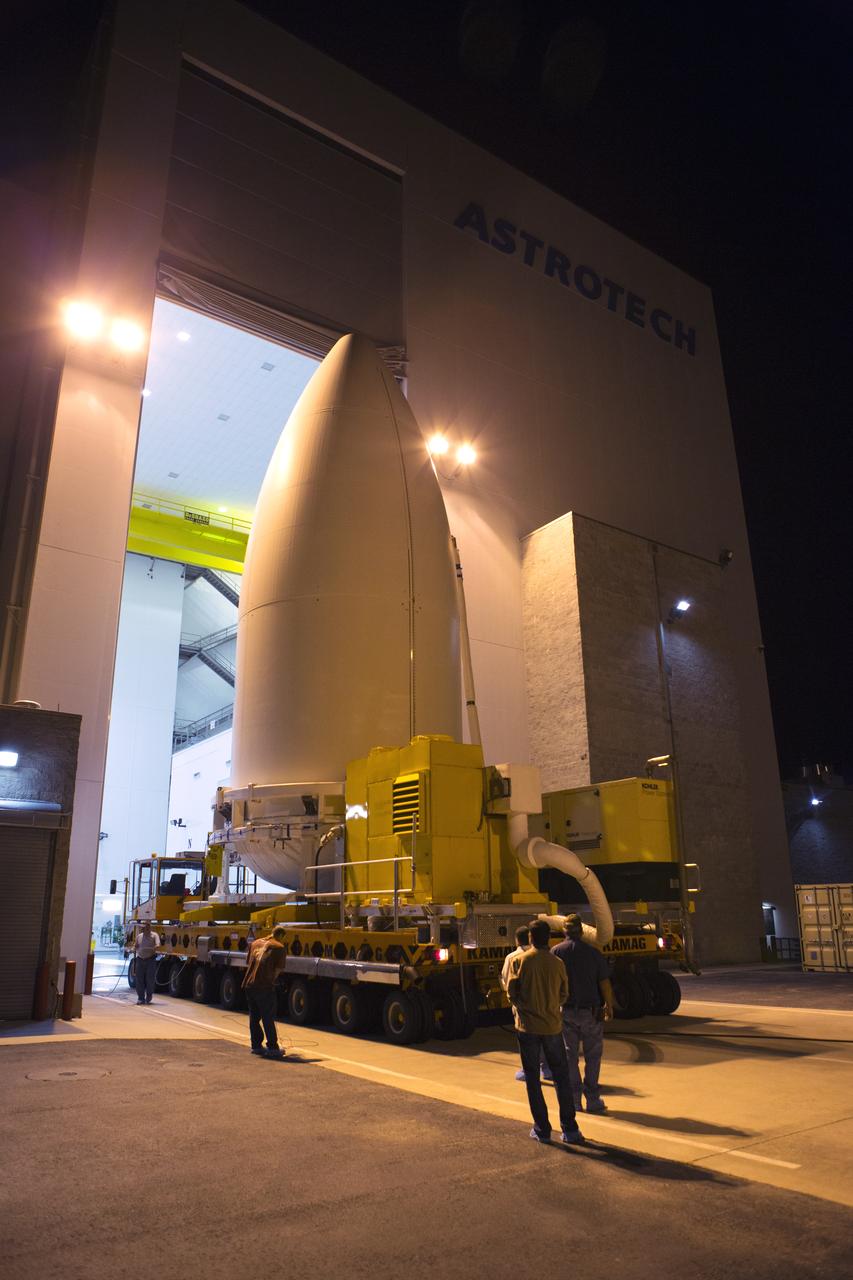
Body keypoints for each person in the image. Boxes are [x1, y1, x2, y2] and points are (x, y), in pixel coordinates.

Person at [507, 919, 585, 1145]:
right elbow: (564, 994)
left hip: (527, 1027)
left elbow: (512, 993)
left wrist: (525, 1008)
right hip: (552, 1026)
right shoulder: (557, 963)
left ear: (530, 938)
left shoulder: (519, 961)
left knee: (532, 1079)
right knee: (561, 1076)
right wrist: (550, 1007)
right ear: (548, 938)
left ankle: (542, 1129)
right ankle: (570, 1129)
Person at [552, 914, 614, 1113]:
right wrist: (609, 1005)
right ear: (581, 931)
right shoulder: (594, 953)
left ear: (564, 931)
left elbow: (552, 984)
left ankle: (574, 1100)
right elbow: (604, 982)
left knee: (569, 1056)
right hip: (591, 1012)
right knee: (593, 1056)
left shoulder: (556, 953)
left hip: (566, 1012)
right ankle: (593, 1100)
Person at [242, 926, 288, 1059]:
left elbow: (249, 963)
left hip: (249, 984)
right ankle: (273, 1047)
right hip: (264, 986)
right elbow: (277, 970)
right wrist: (272, 982)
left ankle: (256, 1046)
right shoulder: (279, 947)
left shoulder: (255, 943)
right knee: (268, 1017)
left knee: (254, 1017)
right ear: (281, 936)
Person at [134, 920, 160, 1005]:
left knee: (150, 979)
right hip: (140, 959)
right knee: (139, 979)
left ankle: (149, 996)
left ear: (150, 927)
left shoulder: (154, 935)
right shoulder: (139, 936)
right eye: (145, 927)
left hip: (150, 959)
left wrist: (155, 947)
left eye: (148, 927)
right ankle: (140, 998)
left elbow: (158, 944)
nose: (146, 929)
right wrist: (134, 947)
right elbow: (136, 945)